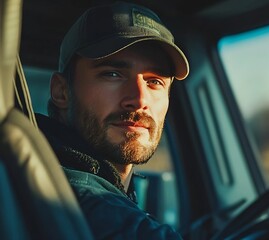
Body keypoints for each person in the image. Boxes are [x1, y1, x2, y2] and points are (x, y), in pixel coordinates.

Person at [36, 1, 188, 239]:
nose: (139, 100)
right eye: (112, 74)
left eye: (155, 81)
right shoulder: (78, 201)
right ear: (61, 92)